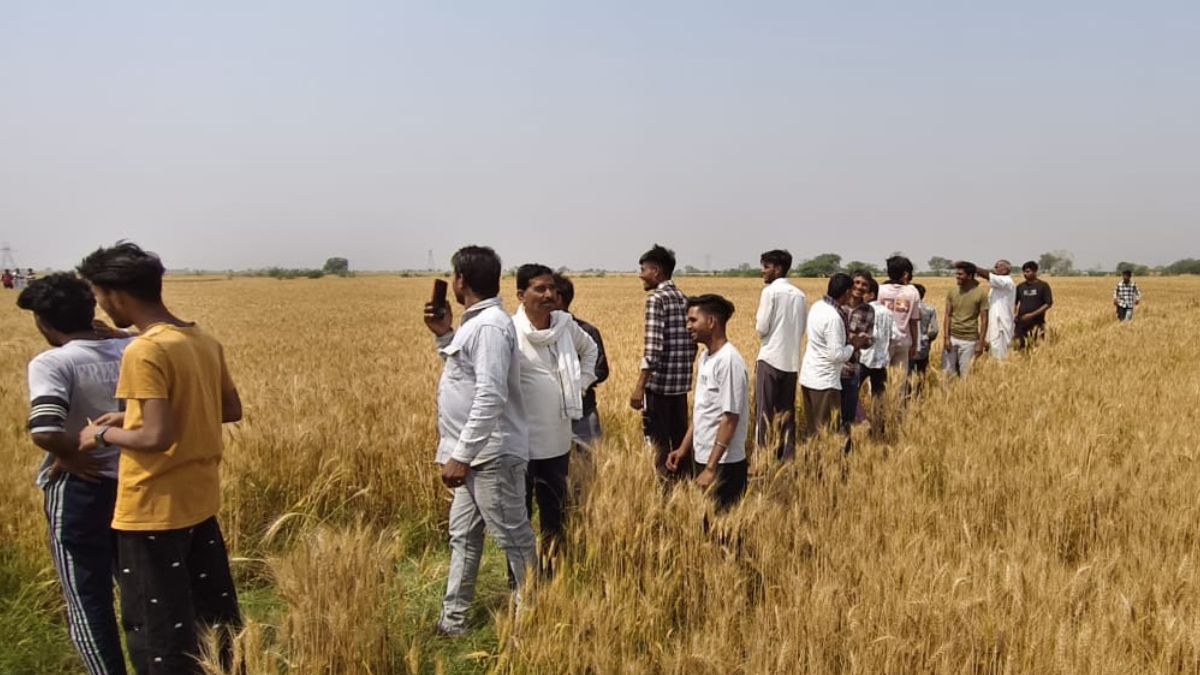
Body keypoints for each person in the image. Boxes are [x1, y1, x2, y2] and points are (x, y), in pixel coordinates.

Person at [76, 242, 243, 674]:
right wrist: (131, 413)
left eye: (99, 296)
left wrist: (101, 433)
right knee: (213, 624)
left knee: (160, 634)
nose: (101, 306)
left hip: (152, 507)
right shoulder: (201, 338)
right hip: (200, 501)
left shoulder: (144, 351)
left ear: (115, 294)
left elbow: (154, 436)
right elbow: (229, 409)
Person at [19, 273, 132, 675]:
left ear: (44, 323)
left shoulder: (53, 361)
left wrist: (68, 454)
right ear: (92, 310)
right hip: (136, 484)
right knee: (139, 589)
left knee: (87, 596)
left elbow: (45, 428)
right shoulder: (134, 346)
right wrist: (118, 332)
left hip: (81, 491)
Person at [422, 246, 537, 637]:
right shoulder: (477, 325)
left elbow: (490, 395)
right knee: (463, 538)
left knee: (514, 539)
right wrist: (444, 337)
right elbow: (467, 376)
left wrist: (462, 454)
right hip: (474, 456)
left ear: (460, 281)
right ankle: (453, 623)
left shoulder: (489, 325)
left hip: (490, 455)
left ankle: (532, 624)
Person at [512, 264, 597, 568]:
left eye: (551, 288)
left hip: (557, 443)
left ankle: (553, 574)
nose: (549, 294)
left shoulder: (565, 326)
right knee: (520, 517)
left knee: (555, 514)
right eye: (540, 289)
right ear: (521, 294)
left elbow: (590, 351)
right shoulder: (510, 332)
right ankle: (521, 581)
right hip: (521, 445)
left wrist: (581, 384)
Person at [665, 294, 749, 512]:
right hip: (703, 456)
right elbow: (702, 411)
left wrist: (711, 468)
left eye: (693, 320)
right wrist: (683, 450)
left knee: (723, 527)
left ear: (711, 322)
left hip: (724, 463)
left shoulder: (729, 361)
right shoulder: (705, 357)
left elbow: (730, 418)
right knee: (706, 524)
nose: (688, 326)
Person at [630, 244, 696, 480]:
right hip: (680, 388)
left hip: (658, 389)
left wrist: (639, 386)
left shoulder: (656, 299)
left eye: (643, 269)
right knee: (680, 440)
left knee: (659, 446)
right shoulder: (684, 299)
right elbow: (692, 344)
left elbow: (653, 349)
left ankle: (664, 493)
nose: (640, 275)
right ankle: (685, 485)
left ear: (656, 271)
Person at [799, 274, 868, 441]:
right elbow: (836, 355)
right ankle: (823, 465)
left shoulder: (817, 306)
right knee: (827, 432)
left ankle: (813, 464)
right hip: (825, 382)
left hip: (809, 376)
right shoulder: (833, 317)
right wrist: (854, 345)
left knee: (814, 431)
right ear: (846, 292)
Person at [753, 249, 806, 460]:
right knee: (787, 413)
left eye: (766, 267)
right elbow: (801, 328)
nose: (763, 271)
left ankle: (762, 456)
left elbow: (761, 328)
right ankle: (787, 456)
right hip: (791, 361)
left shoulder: (770, 293)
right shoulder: (800, 295)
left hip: (770, 358)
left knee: (764, 412)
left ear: (778, 268)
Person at [553, 273, 608, 451]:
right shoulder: (539, 333)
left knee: (590, 463)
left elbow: (601, 370)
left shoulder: (587, 332)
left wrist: (574, 383)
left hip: (583, 412)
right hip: (549, 415)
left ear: (559, 299)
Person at [838, 271, 874, 451]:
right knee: (830, 417)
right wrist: (855, 339)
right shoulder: (839, 306)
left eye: (864, 284)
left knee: (847, 418)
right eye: (857, 282)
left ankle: (845, 452)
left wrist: (866, 341)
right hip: (832, 371)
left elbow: (867, 340)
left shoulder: (869, 310)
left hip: (852, 369)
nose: (860, 287)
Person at [943, 261, 989, 379]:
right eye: (956, 274)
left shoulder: (981, 294)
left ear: (969, 276)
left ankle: (964, 397)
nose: (957, 277)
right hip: (952, 338)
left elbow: (984, 320)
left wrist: (981, 342)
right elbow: (947, 315)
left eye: (960, 274)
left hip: (969, 340)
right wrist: (946, 338)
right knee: (947, 374)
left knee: (966, 375)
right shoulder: (952, 292)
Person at [858, 277, 894, 427]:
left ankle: (862, 421)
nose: (860, 296)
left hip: (865, 358)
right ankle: (879, 426)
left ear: (871, 294)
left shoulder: (866, 310)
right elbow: (893, 336)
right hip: (882, 360)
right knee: (879, 396)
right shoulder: (887, 311)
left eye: (864, 293)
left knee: (852, 391)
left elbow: (873, 334)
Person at [876, 256, 921, 375]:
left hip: (882, 342)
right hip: (904, 341)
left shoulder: (879, 290)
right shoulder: (913, 292)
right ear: (906, 274)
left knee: (879, 379)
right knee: (899, 380)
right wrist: (915, 344)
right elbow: (913, 321)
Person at [968, 260, 1016, 360]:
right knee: (991, 350)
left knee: (1000, 353)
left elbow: (988, 276)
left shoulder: (1007, 281)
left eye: (998, 266)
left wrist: (973, 267)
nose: (995, 267)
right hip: (993, 322)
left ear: (1005, 269)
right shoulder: (996, 286)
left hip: (1001, 324)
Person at [1014, 261, 1053, 348]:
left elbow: (1048, 303)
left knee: (1036, 347)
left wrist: (1032, 315)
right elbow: (1015, 302)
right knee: (1020, 347)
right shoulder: (1020, 287)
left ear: (1035, 271)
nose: (1025, 274)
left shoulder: (1043, 286)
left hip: (1037, 323)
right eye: (1024, 272)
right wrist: (1015, 314)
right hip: (1022, 323)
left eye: (1028, 271)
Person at [908, 283, 939, 390]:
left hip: (909, 344)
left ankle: (908, 395)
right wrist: (928, 339)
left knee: (908, 372)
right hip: (923, 344)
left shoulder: (907, 308)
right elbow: (935, 330)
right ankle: (920, 393)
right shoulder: (930, 309)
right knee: (921, 371)